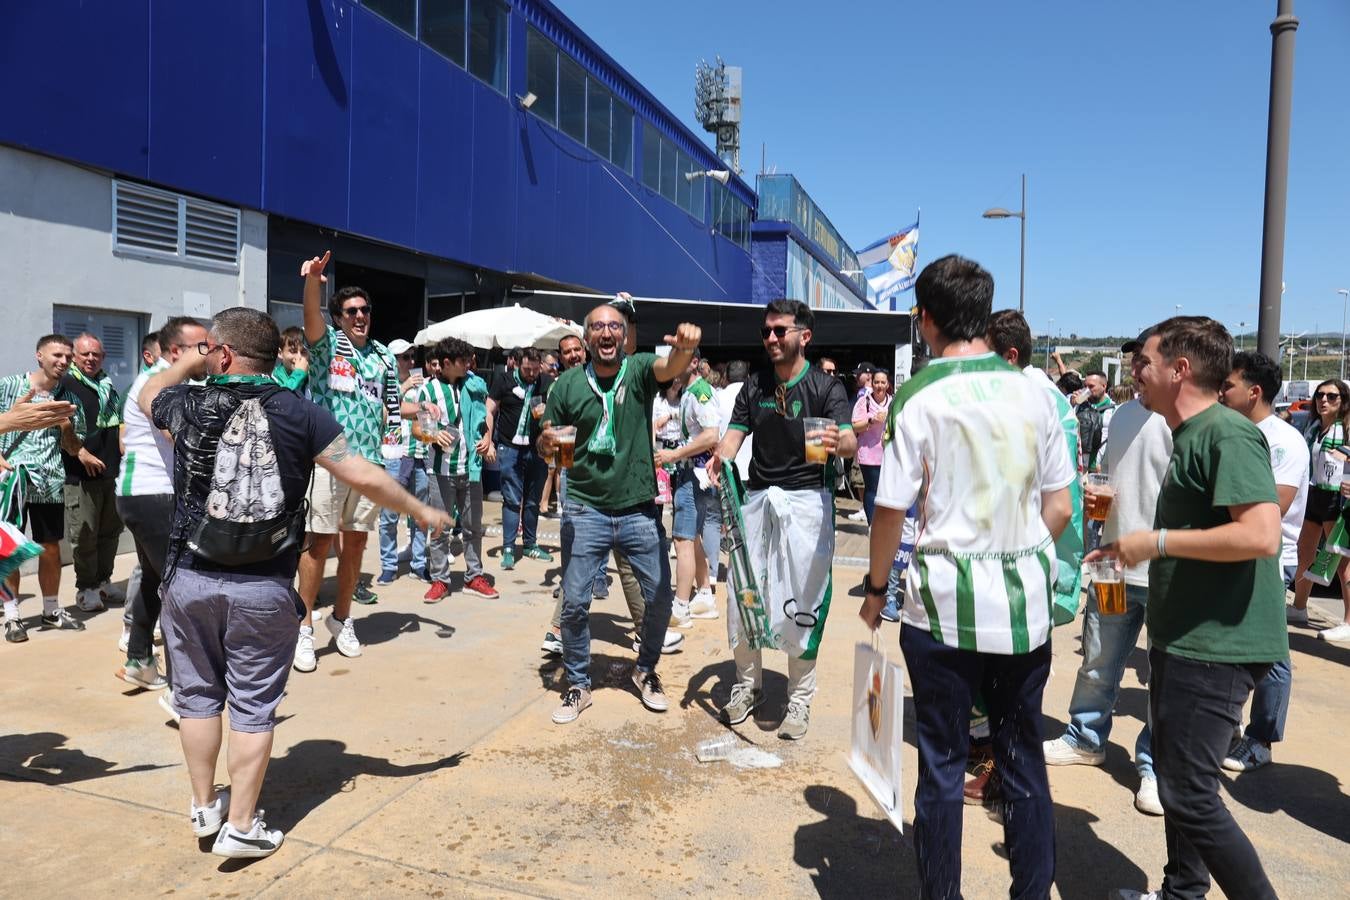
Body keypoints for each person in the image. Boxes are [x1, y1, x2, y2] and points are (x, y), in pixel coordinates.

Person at [140, 306, 449, 859]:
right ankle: (240, 826)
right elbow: (362, 472)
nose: (203, 354)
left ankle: (204, 806)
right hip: (263, 587)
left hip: (189, 578)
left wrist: (182, 363)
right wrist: (418, 510)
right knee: (254, 707)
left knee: (197, 700)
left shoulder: (186, 401)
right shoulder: (304, 414)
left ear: (225, 354)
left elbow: (146, 399)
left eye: (210, 347)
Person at [860, 256, 1073, 898]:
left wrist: (876, 592)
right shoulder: (1036, 390)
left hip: (941, 606)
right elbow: (1060, 505)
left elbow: (889, 511)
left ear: (925, 319)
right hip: (1023, 606)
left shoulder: (920, 394)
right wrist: (1022, 551)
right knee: (1024, 760)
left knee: (943, 767)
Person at [1099, 317, 1284, 900]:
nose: (1134, 371)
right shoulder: (1189, 434)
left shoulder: (1225, 433)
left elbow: (1261, 535)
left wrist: (1154, 542)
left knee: (1190, 792)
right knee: (1180, 781)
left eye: (1144, 362)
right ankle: (1182, 892)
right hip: (1183, 640)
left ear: (1179, 370)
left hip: (1219, 647)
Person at [537, 303, 700, 724]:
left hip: (638, 510)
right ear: (587, 337)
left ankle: (645, 670)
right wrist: (546, 447)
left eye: (615, 326)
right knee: (573, 602)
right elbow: (552, 447)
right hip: (586, 508)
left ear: (625, 336)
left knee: (661, 598)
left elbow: (671, 367)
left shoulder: (641, 369)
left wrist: (684, 348)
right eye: (598, 327)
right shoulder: (568, 386)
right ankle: (577, 683)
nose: (606, 333)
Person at [710, 299, 858, 740]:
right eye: (767, 331)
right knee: (744, 596)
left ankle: (799, 700)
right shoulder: (753, 385)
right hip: (757, 503)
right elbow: (734, 436)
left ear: (804, 336)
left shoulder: (826, 388)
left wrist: (839, 442)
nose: (771, 338)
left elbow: (848, 440)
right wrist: (722, 457)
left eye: (780, 331)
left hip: (807, 505)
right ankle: (746, 685)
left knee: (803, 600)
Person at [1040, 329, 1172, 816]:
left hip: (1164, 575)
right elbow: (1106, 477)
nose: (1136, 370)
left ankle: (1154, 765)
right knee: (1098, 659)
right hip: (1115, 568)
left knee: (1163, 677)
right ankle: (1085, 737)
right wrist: (1099, 504)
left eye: (1144, 361)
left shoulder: (1185, 422)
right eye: (1133, 361)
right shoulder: (1119, 417)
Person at [296, 250, 400, 672]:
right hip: (330, 456)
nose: (359, 316)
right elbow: (309, 319)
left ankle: (342, 619)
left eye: (364, 310)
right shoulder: (326, 347)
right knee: (319, 540)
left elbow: (387, 405)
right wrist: (312, 284)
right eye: (351, 311)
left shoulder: (383, 356)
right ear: (339, 317)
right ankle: (303, 626)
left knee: (356, 542)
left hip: (370, 459)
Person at [1218, 351, 1307, 771]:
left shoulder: (1285, 441)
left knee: (1270, 655)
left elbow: (1277, 503)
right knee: (1232, 645)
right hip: (1237, 555)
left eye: (1229, 385)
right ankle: (1230, 724)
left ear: (1253, 393)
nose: (1221, 392)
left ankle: (1261, 739)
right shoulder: (1230, 432)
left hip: (1272, 560)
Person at [113, 317, 208, 705]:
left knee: (156, 580)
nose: (212, 351)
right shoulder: (158, 384)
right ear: (176, 353)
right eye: (203, 346)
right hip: (155, 497)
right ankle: (179, 689)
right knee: (178, 590)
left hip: (145, 496)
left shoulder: (168, 380)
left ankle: (139, 660)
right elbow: (178, 434)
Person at [0, 335, 88, 643]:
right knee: (9, 549)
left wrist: (66, 426)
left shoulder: (70, 396)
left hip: (49, 481)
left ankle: (52, 611)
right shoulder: (8, 385)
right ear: (39, 355)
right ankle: (11, 616)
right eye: (57, 355)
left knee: (50, 548)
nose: (63, 361)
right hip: (10, 480)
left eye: (67, 357)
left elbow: (75, 446)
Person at [416, 337, 497, 601]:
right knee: (440, 529)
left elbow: (484, 417)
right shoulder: (428, 392)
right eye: (463, 361)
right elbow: (418, 428)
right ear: (447, 363)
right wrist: (432, 436)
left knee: (473, 527)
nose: (468, 365)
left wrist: (488, 438)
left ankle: (474, 576)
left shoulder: (473, 385)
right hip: (441, 470)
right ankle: (440, 579)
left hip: (471, 468)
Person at [60, 333, 126, 612]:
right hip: (80, 474)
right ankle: (85, 587)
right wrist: (81, 453)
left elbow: (119, 422)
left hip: (110, 471)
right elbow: (60, 426)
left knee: (111, 531)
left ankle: (103, 581)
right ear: (75, 356)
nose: (90, 359)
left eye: (95, 354)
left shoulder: (107, 384)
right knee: (85, 534)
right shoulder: (66, 385)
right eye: (85, 354)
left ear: (103, 357)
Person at [655, 355, 721, 625]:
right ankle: (704, 593)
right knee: (692, 537)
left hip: (693, 473)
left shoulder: (699, 392)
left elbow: (711, 435)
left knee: (682, 540)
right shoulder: (690, 393)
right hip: (693, 472)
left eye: (680, 361)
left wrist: (674, 455)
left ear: (693, 363)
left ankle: (680, 607)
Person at [1287, 377, 1350, 637]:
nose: (1323, 400)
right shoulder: (1313, 427)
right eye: (1320, 395)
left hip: (1337, 497)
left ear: (1343, 401)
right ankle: (1299, 606)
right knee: (1306, 552)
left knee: (1342, 561)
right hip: (1313, 494)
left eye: (1331, 396)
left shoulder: (1347, 429)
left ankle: (1349, 621)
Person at [486, 347, 553, 570]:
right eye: (527, 369)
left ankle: (530, 545)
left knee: (533, 500)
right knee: (512, 500)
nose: (532, 373)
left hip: (536, 448)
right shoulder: (503, 380)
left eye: (535, 369)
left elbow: (555, 412)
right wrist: (489, 440)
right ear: (516, 363)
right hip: (509, 447)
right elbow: (490, 410)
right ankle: (508, 547)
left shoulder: (545, 382)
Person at [376, 338, 430, 585]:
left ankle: (419, 564)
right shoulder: (383, 383)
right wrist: (404, 387)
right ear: (392, 360)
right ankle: (388, 565)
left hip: (418, 453)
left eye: (411, 356)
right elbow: (385, 408)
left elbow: (427, 411)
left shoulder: (422, 386)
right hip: (393, 455)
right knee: (389, 515)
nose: (410, 361)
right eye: (404, 357)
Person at [851, 369, 891, 524]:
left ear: (887, 385)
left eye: (883, 382)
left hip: (888, 453)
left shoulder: (893, 402)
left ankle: (885, 524)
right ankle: (872, 525)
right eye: (876, 382)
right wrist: (871, 421)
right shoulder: (864, 402)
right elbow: (855, 426)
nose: (879, 385)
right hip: (868, 454)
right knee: (872, 488)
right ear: (872, 383)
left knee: (886, 491)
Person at [273, 326, 310, 394]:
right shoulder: (273, 378)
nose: (299, 357)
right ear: (280, 353)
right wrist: (299, 373)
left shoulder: (312, 375)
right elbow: (280, 399)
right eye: (293, 351)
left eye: (303, 352)